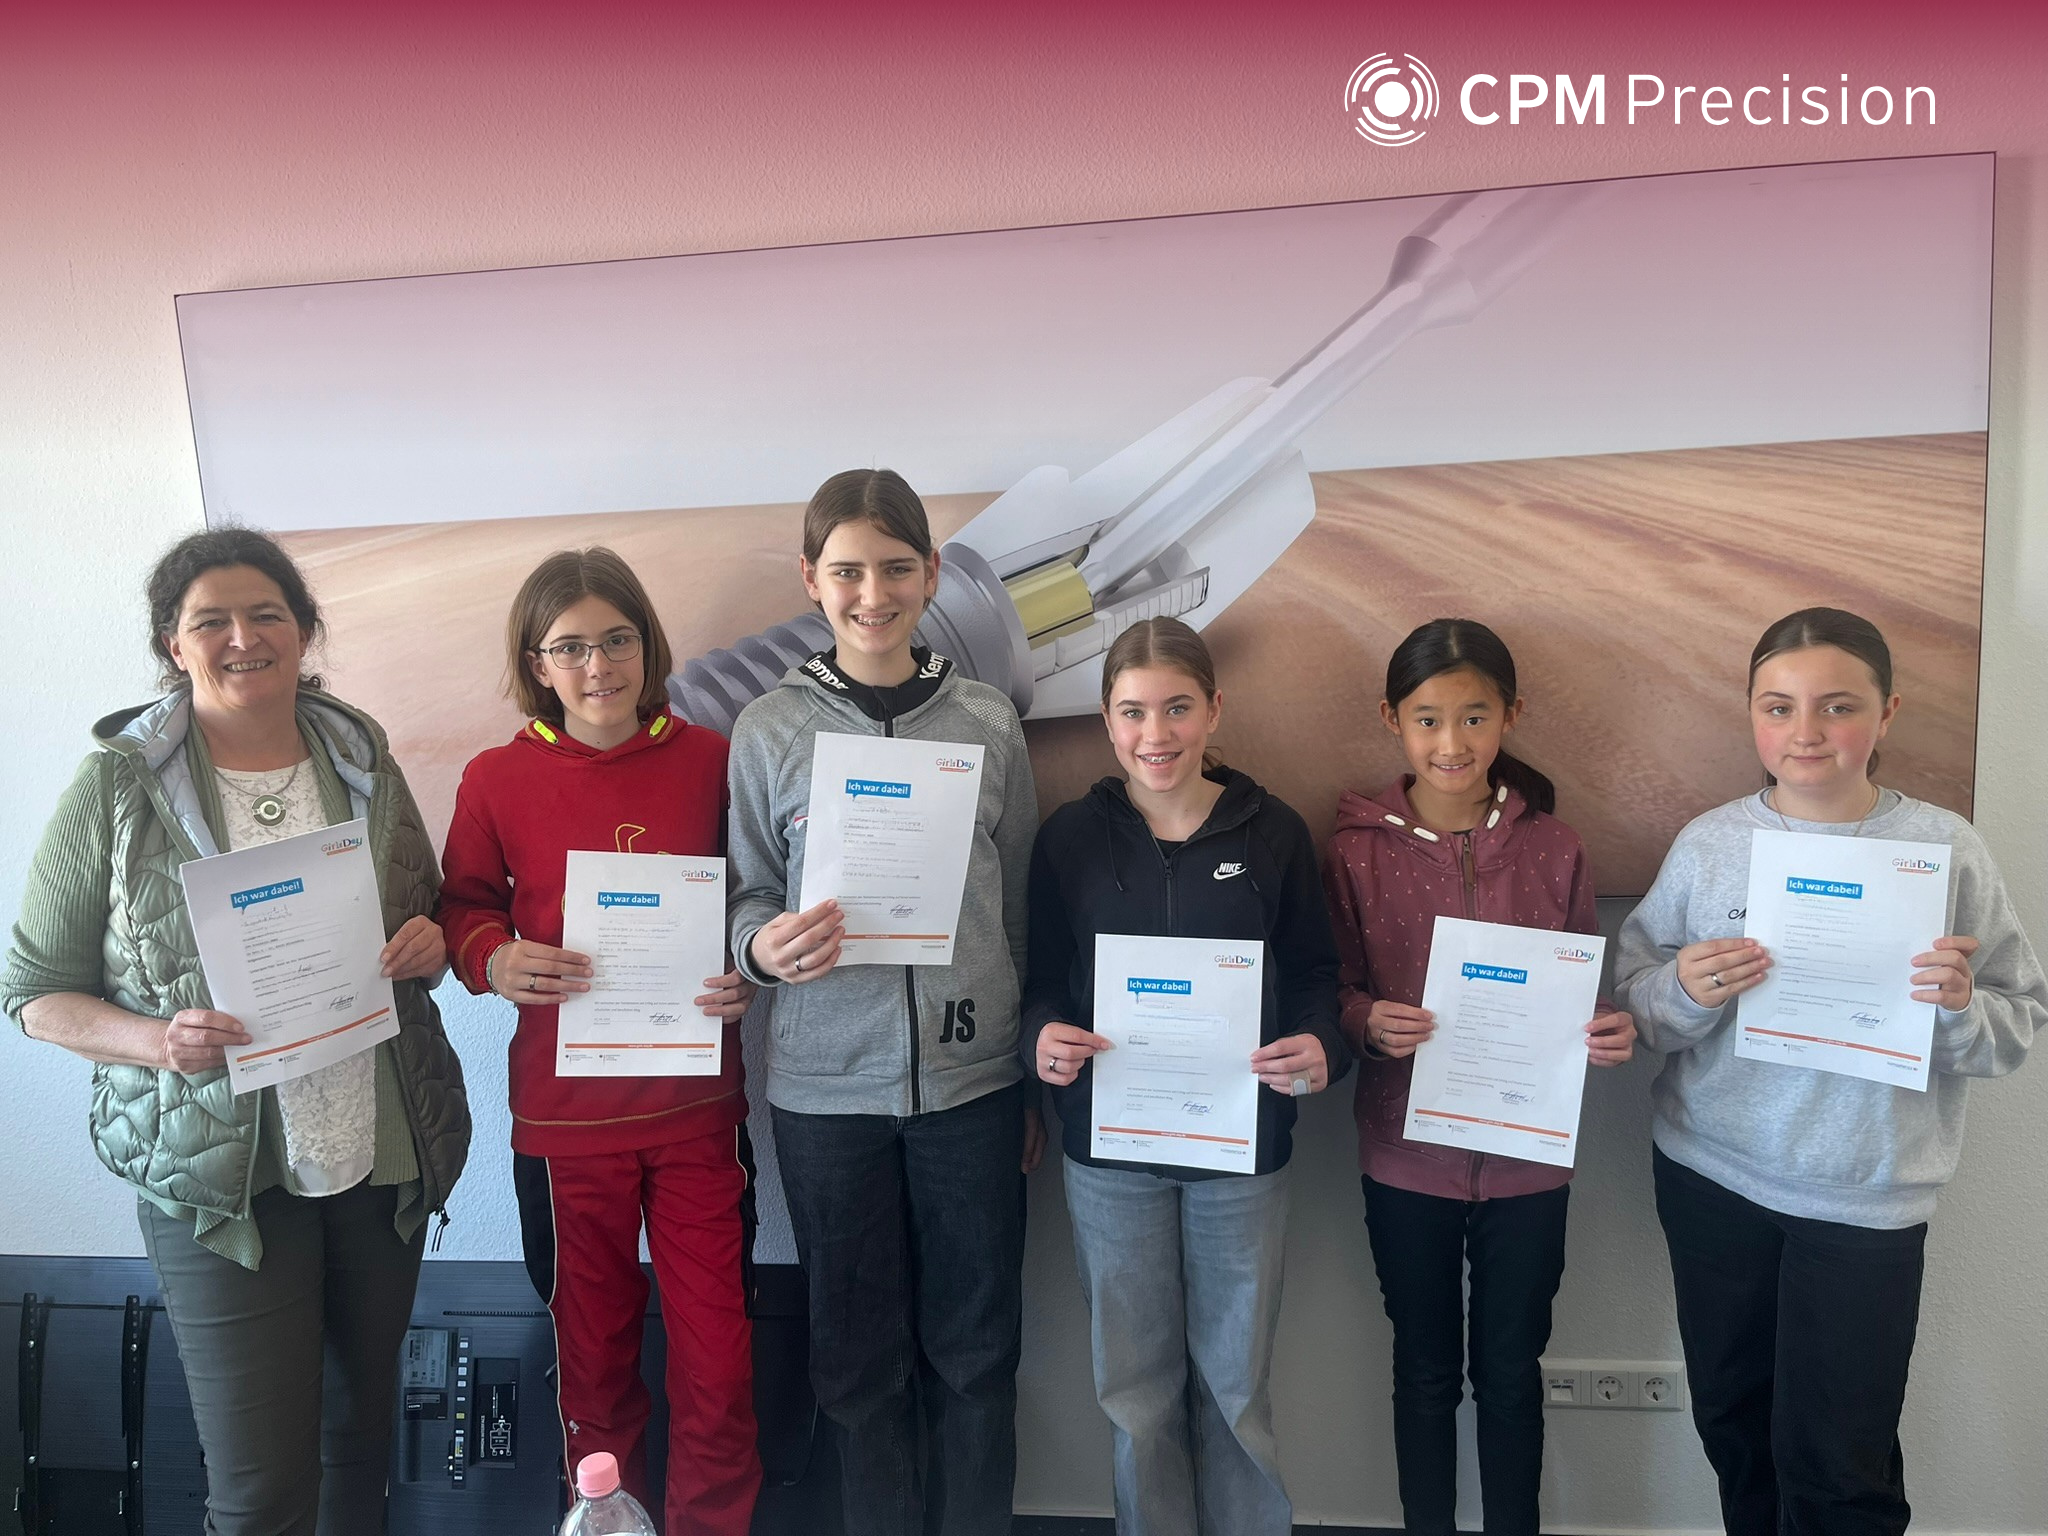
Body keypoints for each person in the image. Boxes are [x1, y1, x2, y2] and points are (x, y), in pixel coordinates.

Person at [1, 527, 470, 1536]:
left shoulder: (362, 761)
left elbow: (424, 918)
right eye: (209, 620)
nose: (241, 638)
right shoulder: (115, 789)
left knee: (358, 1457)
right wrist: (154, 1040)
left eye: (267, 614)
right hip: (220, 1183)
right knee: (260, 1492)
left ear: (304, 632)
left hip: (376, 1160)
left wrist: (427, 942)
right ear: (174, 645)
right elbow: (36, 993)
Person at [1614, 606, 2045, 1536]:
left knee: (1840, 1465)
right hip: (1712, 1179)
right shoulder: (1710, 842)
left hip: (1866, 1199)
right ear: (1752, 717)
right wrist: (1684, 990)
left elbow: (2020, 1024)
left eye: (1836, 706)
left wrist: (1961, 1007)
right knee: (1735, 1429)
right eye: (1778, 707)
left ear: (1886, 715)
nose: (1804, 732)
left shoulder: (1946, 848)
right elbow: (1637, 999)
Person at [725, 468, 1042, 1536]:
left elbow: (1022, 900)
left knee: (976, 1355)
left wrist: (1026, 1079)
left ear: (931, 575)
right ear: (810, 580)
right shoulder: (766, 730)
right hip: (824, 1099)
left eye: (896, 567)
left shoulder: (989, 720)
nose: (873, 591)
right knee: (855, 1365)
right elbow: (742, 896)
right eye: (848, 570)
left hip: (973, 1088)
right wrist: (760, 946)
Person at [438, 547, 761, 1533]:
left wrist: (742, 966)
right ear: (537, 662)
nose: (598, 666)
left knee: (717, 1365)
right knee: (594, 1364)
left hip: (697, 1117)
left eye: (616, 639)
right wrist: (494, 959)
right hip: (564, 1128)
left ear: (645, 644)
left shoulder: (714, 759)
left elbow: (757, 895)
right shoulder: (495, 778)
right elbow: (459, 911)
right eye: (570, 646)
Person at [1025, 615, 1345, 1536]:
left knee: (1237, 1386)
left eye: (1176, 708)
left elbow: (1319, 973)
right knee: (1133, 1391)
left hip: (1242, 1152)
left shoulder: (1274, 830)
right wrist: (1042, 1037)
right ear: (1105, 717)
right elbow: (1041, 975)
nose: (1154, 734)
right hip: (1109, 1155)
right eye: (1132, 712)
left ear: (1214, 710)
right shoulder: (1070, 838)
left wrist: (1322, 1040)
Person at [1321, 618, 1636, 1536]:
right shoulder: (1353, 849)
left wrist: (1602, 1032)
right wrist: (1364, 1022)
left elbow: (1579, 989)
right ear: (1392, 719)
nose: (1450, 743)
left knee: (1510, 1374)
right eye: (1426, 719)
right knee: (1422, 1369)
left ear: (1510, 717)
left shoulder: (1557, 848)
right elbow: (1331, 986)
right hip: (1405, 1154)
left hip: (1528, 1164)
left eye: (1473, 718)